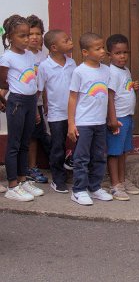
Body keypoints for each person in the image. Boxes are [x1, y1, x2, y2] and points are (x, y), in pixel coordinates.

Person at [67, 32, 114, 205]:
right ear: (85, 52)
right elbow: (72, 98)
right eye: (98, 48)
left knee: (99, 156)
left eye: (103, 47)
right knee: (82, 158)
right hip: (84, 123)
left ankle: (95, 187)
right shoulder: (79, 71)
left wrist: (110, 118)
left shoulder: (106, 70)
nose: (103, 51)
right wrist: (71, 124)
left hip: (100, 123)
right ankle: (78, 190)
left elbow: (108, 97)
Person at [0, 15, 44, 200]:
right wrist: (4, 99)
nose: (27, 39)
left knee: (25, 143)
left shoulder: (29, 55)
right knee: (14, 145)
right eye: (22, 36)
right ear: (10, 37)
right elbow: (2, 81)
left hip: (30, 102)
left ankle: (22, 179)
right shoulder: (7, 57)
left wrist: (34, 109)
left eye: (28, 35)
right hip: (17, 103)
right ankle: (12, 185)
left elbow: (32, 82)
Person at [36, 29, 76, 194]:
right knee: (57, 146)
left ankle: (72, 160)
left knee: (81, 141)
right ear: (54, 47)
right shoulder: (45, 66)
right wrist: (36, 110)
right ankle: (58, 179)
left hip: (74, 113)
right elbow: (39, 90)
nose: (70, 42)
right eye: (66, 41)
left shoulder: (72, 63)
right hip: (56, 114)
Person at [105, 33, 139, 201]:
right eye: (118, 53)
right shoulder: (111, 72)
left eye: (125, 52)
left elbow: (123, 89)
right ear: (109, 55)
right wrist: (112, 119)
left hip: (127, 117)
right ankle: (115, 184)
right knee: (114, 152)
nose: (122, 56)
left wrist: (133, 86)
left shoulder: (124, 70)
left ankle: (122, 180)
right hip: (117, 118)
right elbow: (110, 97)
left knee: (123, 152)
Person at [25, 14, 51, 184]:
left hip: (40, 103)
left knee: (40, 134)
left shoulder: (44, 57)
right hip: (27, 102)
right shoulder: (24, 55)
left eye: (38, 33)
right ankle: (31, 167)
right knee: (30, 137)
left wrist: (46, 102)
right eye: (30, 34)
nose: (34, 37)